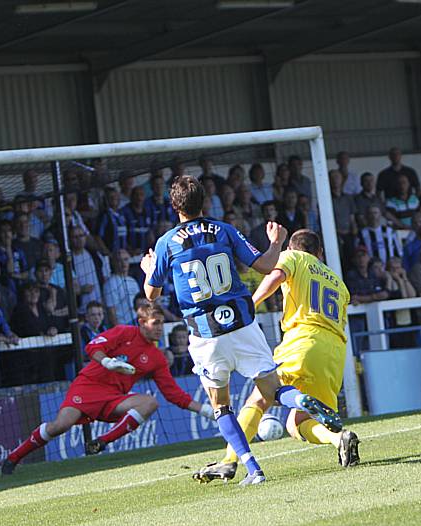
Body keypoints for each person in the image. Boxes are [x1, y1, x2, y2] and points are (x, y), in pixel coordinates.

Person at [141, 175, 342, 486]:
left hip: (206, 333)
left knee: (222, 406)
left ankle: (253, 470)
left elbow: (152, 295)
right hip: (243, 325)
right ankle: (301, 402)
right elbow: (263, 265)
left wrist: (147, 270)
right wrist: (276, 241)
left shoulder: (167, 242)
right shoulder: (224, 229)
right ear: (204, 201)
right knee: (272, 390)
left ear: (174, 205)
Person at [200, 229, 360, 482]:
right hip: (334, 352)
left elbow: (275, 276)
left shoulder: (293, 257)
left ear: (294, 248)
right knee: (296, 424)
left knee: (260, 398)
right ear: (320, 253)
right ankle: (339, 439)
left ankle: (230, 461)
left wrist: (250, 304)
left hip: (302, 340)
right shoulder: (338, 283)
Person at [2, 303, 219, 474]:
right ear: (142, 323)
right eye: (156, 323)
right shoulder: (123, 332)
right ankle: (14, 458)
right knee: (60, 425)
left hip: (114, 397)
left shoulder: (156, 358)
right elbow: (92, 347)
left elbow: (172, 393)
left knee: (150, 403)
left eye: (162, 323)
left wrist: (207, 410)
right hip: (88, 386)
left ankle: (102, 441)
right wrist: (107, 362)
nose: (160, 328)